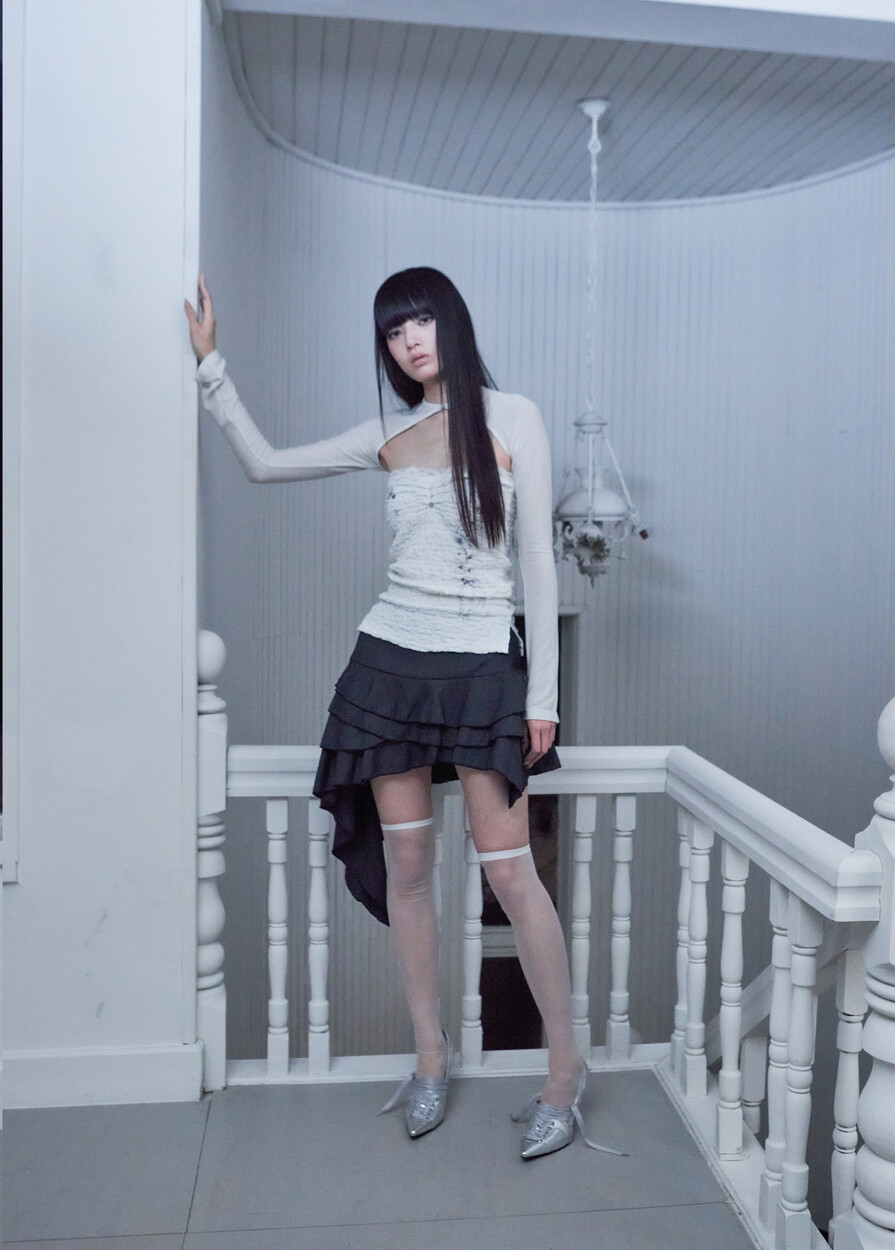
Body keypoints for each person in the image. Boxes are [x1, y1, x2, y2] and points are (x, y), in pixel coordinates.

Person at [185, 267, 624, 1159]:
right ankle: (430, 1058)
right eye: (394, 331)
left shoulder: (515, 418)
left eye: (420, 321)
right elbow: (266, 464)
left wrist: (542, 696)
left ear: (449, 322)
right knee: (409, 865)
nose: (410, 340)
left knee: (511, 873)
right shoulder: (385, 431)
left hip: (481, 660)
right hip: (390, 660)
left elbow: (538, 564)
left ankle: (564, 1072)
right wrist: (211, 369)